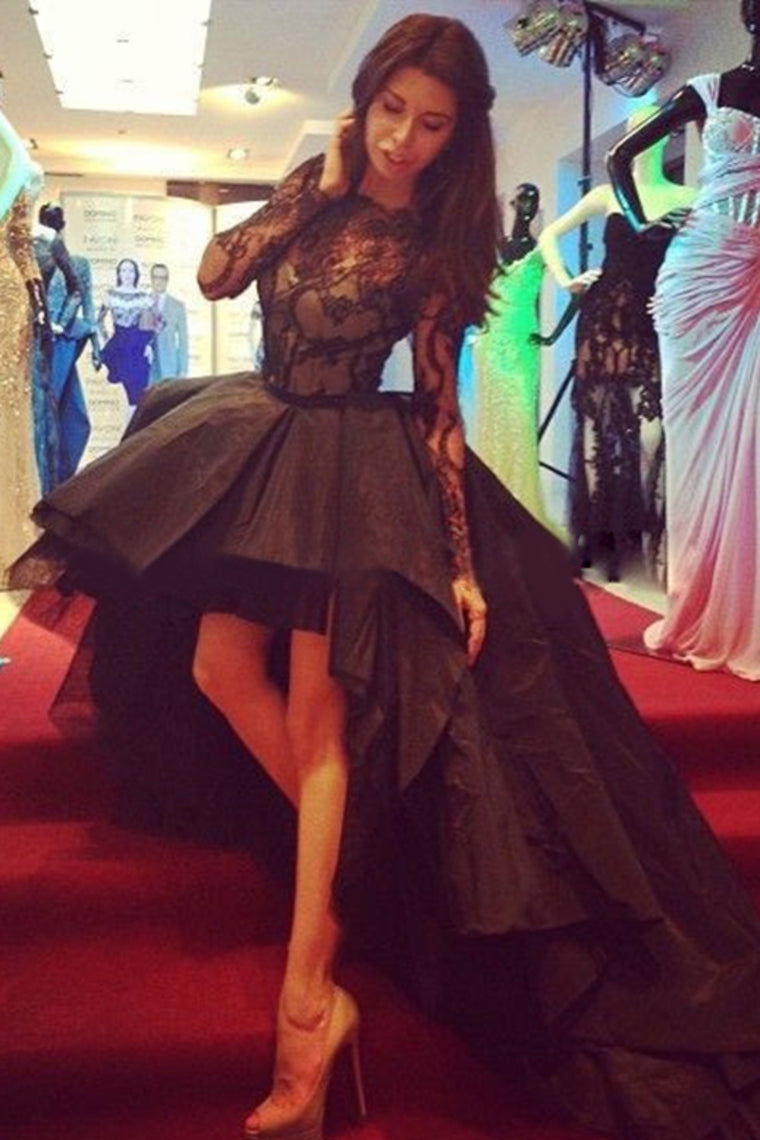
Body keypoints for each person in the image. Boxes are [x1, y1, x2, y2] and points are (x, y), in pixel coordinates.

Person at [9, 13, 760, 1140]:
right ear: (365, 101)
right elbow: (216, 275)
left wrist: (461, 567)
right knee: (220, 668)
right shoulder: (315, 185)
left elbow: (443, 412)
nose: (404, 137)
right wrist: (310, 190)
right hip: (260, 445)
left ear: (460, 135)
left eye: (432, 123)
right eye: (391, 110)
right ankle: (375, 857)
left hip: (360, 473)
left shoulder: (440, 243)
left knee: (321, 716)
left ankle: (310, 1000)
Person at [607, 0, 760, 680]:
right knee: (697, 450)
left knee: (753, 447)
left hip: (755, 279)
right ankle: (697, 603)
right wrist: (643, 225)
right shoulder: (710, 89)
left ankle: (747, 609)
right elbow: (620, 158)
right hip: (701, 275)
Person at [538, 108, 694, 582]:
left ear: (666, 137)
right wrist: (567, 280)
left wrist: (680, 296)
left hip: (651, 323)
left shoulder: (688, 196)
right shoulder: (606, 194)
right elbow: (549, 235)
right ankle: (598, 537)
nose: (641, 137)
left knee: (651, 436)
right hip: (602, 320)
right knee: (596, 430)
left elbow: (701, 257)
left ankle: (653, 537)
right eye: (632, 130)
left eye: (650, 130)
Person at [458, 183, 551, 525]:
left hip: (523, 343)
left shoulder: (543, 248)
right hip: (492, 343)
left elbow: (573, 288)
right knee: (492, 422)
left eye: (534, 200)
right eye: (524, 198)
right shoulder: (494, 248)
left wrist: (552, 336)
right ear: (513, 203)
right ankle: (491, 505)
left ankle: (521, 506)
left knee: (520, 420)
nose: (529, 205)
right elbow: (475, 290)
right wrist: (475, 327)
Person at [0, 108, 43, 578]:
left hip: (5, 294)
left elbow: (22, 244)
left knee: (7, 407)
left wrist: (38, 301)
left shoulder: (17, 163)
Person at [37, 202, 92, 483]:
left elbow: (80, 294)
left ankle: (57, 478)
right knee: (48, 411)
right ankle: (46, 480)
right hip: (40, 340)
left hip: (64, 340)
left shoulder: (74, 260)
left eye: (56, 220)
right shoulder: (33, 252)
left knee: (73, 417)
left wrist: (61, 322)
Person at [98, 257, 153, 406]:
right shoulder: (110, 294)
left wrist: (148, 344)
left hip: (137, 345)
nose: (127, 274)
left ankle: (136, 418)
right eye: (124, 271)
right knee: (124, 388)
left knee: (138, 392)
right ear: (119, 274)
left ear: (136, 274)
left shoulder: (144, 296)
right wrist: (106, 339)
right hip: (119, 344)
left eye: (131, 271)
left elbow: (151, 324)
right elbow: (99, 320)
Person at [146, 262, 189, 382]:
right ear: (151, 279)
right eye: (156, 277)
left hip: (170, 366)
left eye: (162, 278)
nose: (159, 281)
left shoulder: (177, 306)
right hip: (147, 367)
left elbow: (183, 340)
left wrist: (183, 369)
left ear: (167, 280)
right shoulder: (142, 303)